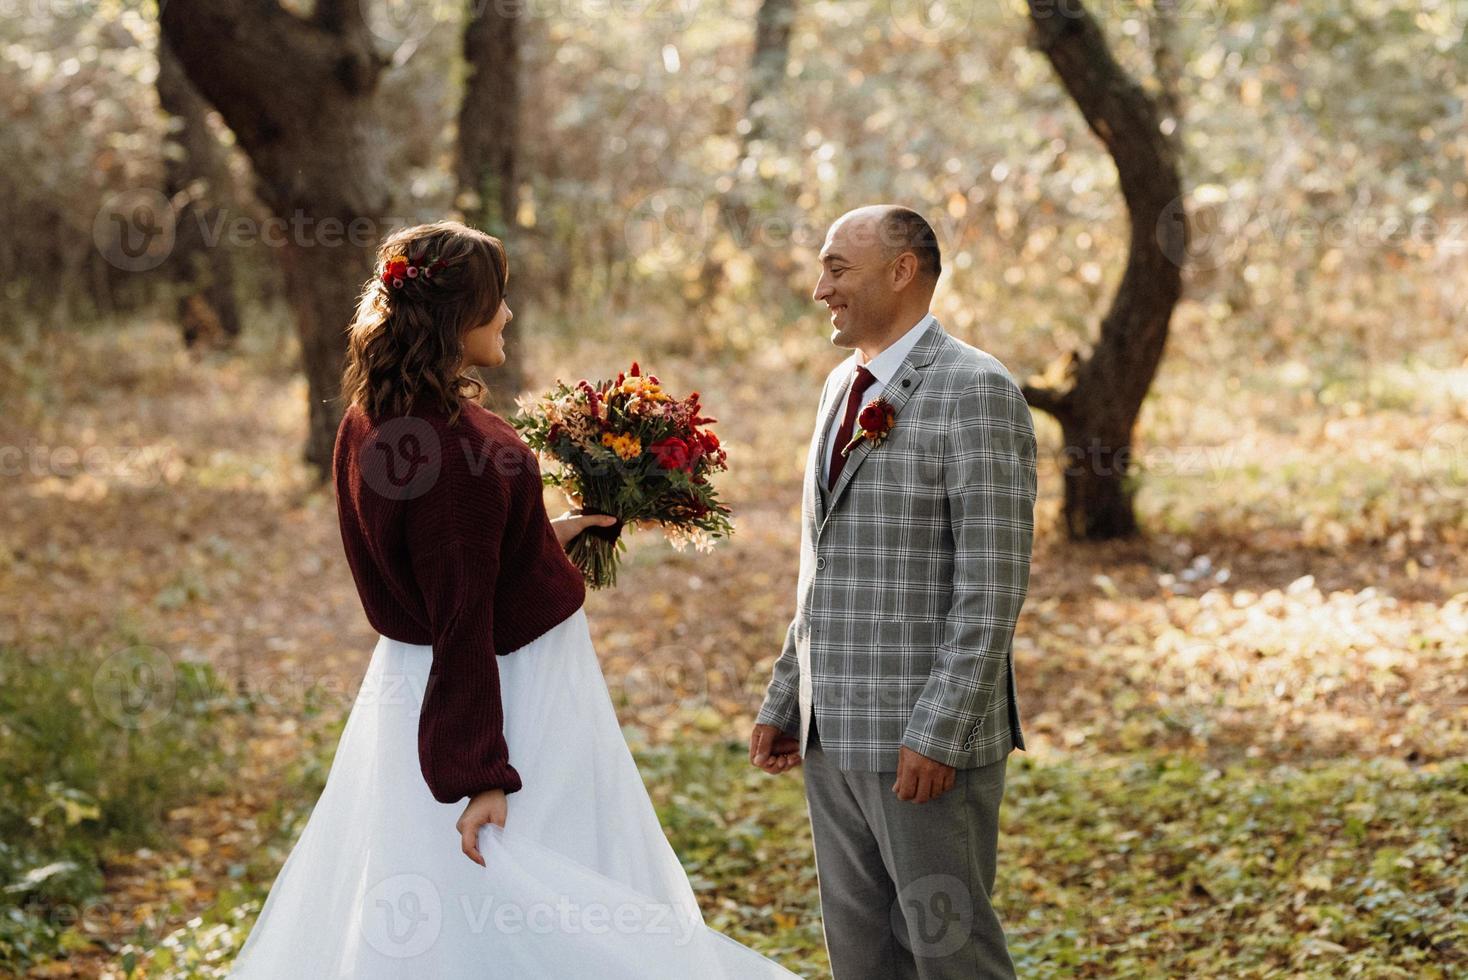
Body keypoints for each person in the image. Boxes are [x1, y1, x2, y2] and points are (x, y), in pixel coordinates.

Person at [231, 220, 797, 978]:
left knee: (425, 883)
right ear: (454, 318)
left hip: (410, 688)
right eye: (498, 301)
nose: (508, 315)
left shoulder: (372, 419)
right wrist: (483, 774)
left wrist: (544, 532)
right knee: (535, 874)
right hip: (508, 692)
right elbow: (462, 616)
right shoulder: (462, 451)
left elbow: (446, 568)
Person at [750, 205, 1038, 978]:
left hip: (922, 742)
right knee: (861, 958)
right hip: (828, 734)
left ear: (902, 270)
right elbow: (825, 564)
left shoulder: (977, 390)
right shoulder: (840, 386)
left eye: (837, 269)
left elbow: (993, 585)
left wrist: (939, 731)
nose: (820, 290)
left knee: (953, 955)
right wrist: (787, 697)